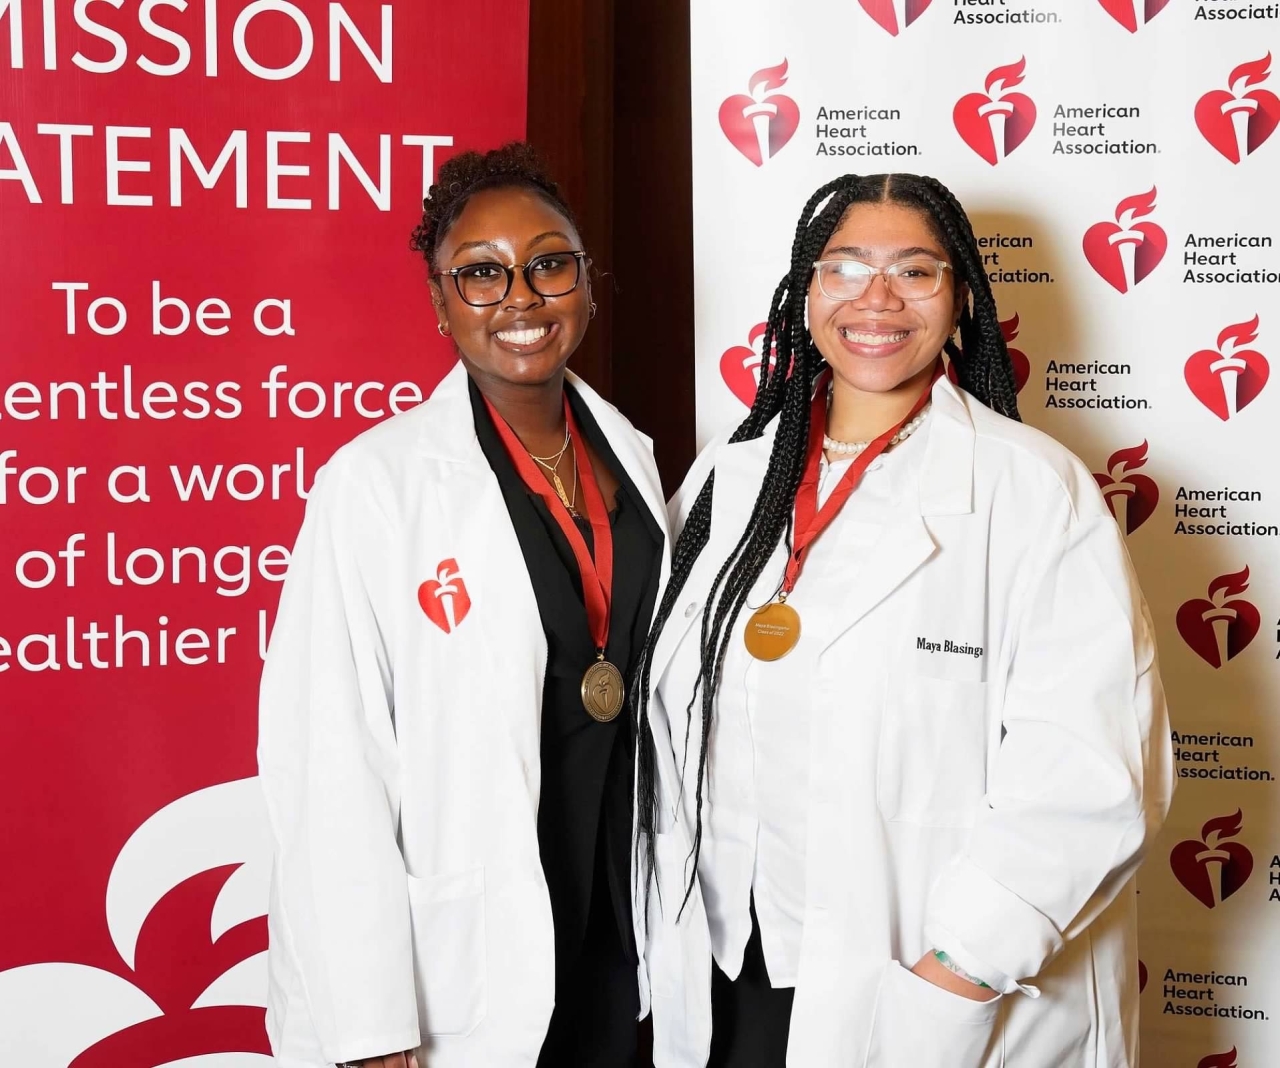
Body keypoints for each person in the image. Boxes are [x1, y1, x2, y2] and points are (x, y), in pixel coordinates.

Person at [634, 172, 1173, 1067]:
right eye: (844, 267)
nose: (876, 298)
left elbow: (1092, 772)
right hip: (732, 982)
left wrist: (955, 974)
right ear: (805, 294)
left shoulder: (1032, 491)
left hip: (931, 995)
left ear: (961, 298)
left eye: (915, 272)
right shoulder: (729, 484)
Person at [257, 143, 670, 1068]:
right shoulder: (375, 485)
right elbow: (329, 759)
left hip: (619, 926)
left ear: (586, 284)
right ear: (441, 305)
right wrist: (370, 1023)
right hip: (469, 958)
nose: (520, 298)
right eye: (480, 275)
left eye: (548, 264)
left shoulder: (633, 458)